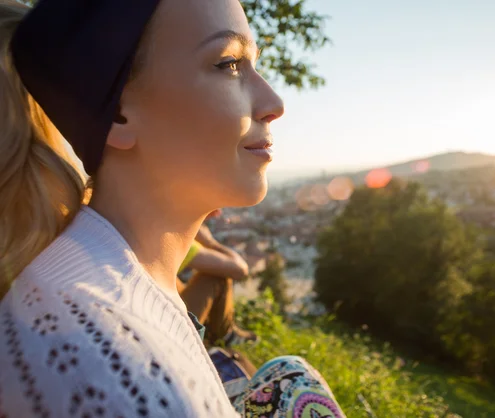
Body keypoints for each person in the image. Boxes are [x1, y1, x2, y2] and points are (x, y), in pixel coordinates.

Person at [0, 0, 345, 417]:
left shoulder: (102, 272)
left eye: (254, 63)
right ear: (120, 115)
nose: (274, 101)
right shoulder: (126, 385)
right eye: (228, 63)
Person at [177, 210, 258, 346]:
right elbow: (239, 269)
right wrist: (209, 241)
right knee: (216, 277)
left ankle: (215, 329)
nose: (217, 213)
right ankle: (225, 334)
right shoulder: (176, 239)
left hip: (152, 313)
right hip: (172, 327)